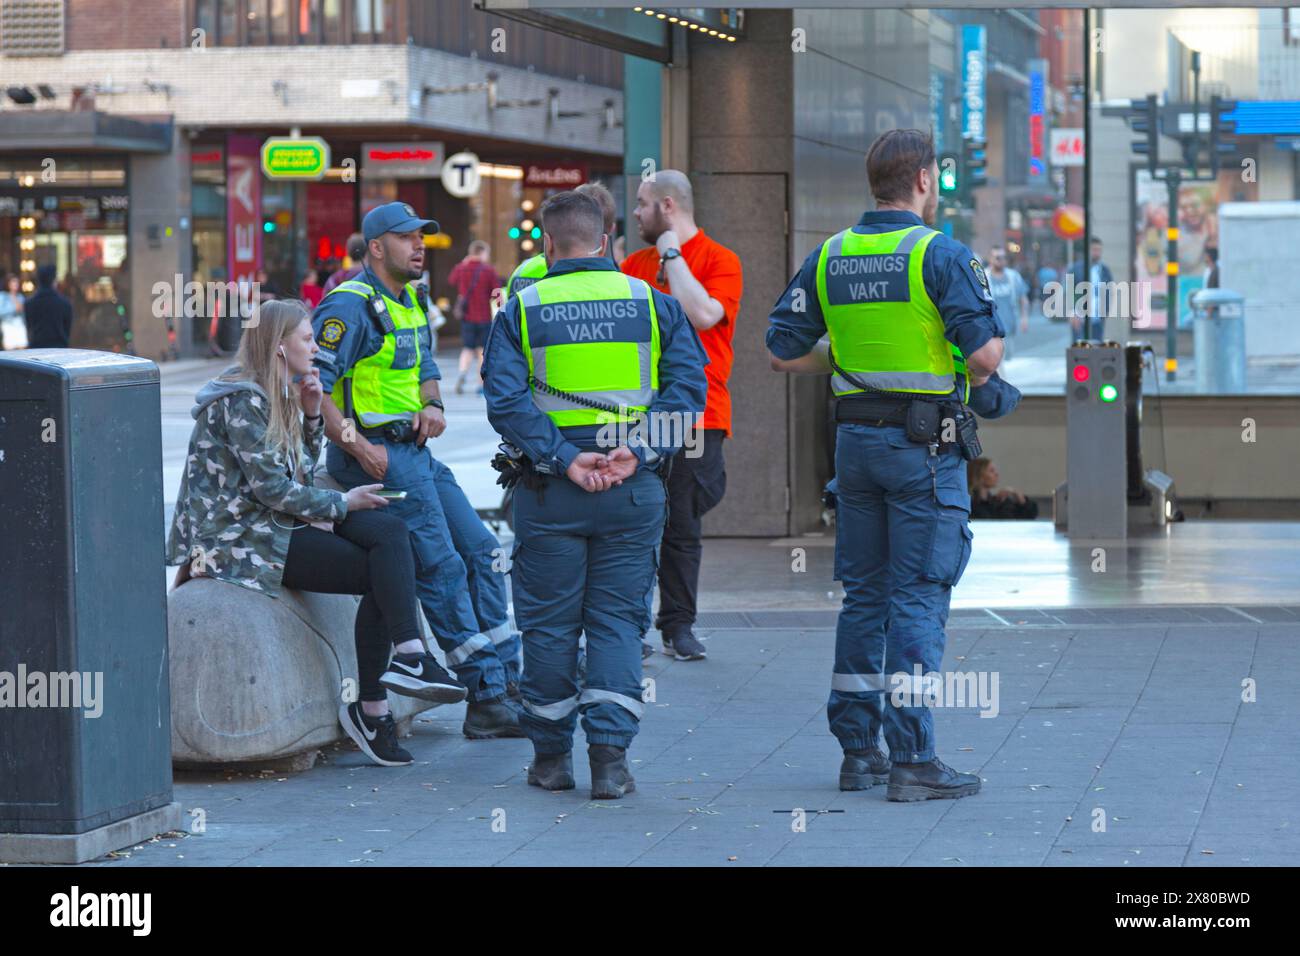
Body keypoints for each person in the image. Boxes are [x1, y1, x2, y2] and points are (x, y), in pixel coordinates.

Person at [767, 128, 1019, 802]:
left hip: (855, 451)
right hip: (922, 453)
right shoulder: (940, 255)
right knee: (917, 596)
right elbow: (987, 357)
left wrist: (858, 364)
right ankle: (914, 759)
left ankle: (860, 753)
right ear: (925, 181)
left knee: (867, 597)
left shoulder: (829, 257)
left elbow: (783, 352)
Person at [167, 299, 467, 768]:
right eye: (307, 338)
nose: (314, 346)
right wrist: (340, 504)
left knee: (391, 532)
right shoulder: (242, 399)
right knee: (377, 568)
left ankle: (408, 656)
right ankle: (373, 707)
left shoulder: (280, 391)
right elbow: (272, 490)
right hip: (241, 539)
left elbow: (299, 474)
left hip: (277, 520)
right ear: (279, 346)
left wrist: (310, 416)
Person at [482, 190, 707, 798]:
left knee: (550, 624)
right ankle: (610, 765)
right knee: (615, 621)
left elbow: (504, 401)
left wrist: (562, 457)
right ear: (607, 241)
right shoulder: (655, 303)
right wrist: (638, 450)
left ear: (548, 245)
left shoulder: (522, 310)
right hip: (633, 489)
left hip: (552, 489)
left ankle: (550, 763)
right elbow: (689, 392)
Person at [311, 201, 523, 739]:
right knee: (442, 566)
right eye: (407, 238)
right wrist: (358, 447)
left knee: (484, 552)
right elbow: (308, 389)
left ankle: (508, 681)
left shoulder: (411, 299)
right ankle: (486, 695)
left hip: (416, 451)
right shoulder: (348, 306)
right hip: (379, 457)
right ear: (377, 247)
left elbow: (426, 367)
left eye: (422, 237)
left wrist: (435, 406)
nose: (420, 245)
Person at [621, 170, 743, 662]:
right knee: (631, 523)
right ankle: (628, 626)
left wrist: (672, 256)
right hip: (637, 412)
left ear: (667, 207)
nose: (635, 212)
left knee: (684, 523)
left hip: (700, 414)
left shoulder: (720, 260)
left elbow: (704, 315)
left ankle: (678, 626)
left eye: (642, 203)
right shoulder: (632, 263)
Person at [448, 240, 502, 395]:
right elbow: (496, 292)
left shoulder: (462, 268)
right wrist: (501, 308)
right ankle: (481, 384)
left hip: (467, 317)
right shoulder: (488, 270)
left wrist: (462, 263)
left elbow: (451, 280)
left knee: (467, 348)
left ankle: (462, 373)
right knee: (481, 351)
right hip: (484, 316)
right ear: (482, 252)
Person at [1066, 237, 1113, 339]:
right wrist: (1072, 313)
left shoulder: (1104, 270)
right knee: (1079, 350)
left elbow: (1109, 292)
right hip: (1080, 318)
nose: (1097, 253)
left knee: (1097, 349)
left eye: (1099, 250)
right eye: (1094, 250)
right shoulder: (1075, 269)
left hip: (1098, 318)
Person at [986, 247, 1029, 357]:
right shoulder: (984, 276)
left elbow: (1023, 298)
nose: (1001, 260)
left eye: (1004, 257)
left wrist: (1024, 318)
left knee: (1008, 358)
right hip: (991, 328)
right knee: (996, 361)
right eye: (998, 257)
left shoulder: (1013, 276)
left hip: (1009, 326)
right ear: (991, 259)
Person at [967, 457, 1038, 519]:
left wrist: (1021, 499)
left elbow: (1029, 516)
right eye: (991, 471)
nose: (996, 474)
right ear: (979, 474)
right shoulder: (968, 504)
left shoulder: (999, 502)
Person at [25, 264, 73, 349]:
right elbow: (67, 330)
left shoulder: (29, 303)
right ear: (54, 280)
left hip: (36, 350)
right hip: (59, 348)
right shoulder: (65, 303)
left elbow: (29, 328)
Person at [0, 274, 26, 350]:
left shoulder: (20, 296)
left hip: (20, 326)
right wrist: (14, 309)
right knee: (10, 352)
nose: (16, 284)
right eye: (13, 282)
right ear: (8, 283)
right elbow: (1, 312)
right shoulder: (2, 296)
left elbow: (23, 314)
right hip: (8, 326)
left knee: (23, 351)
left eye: (17, 282)